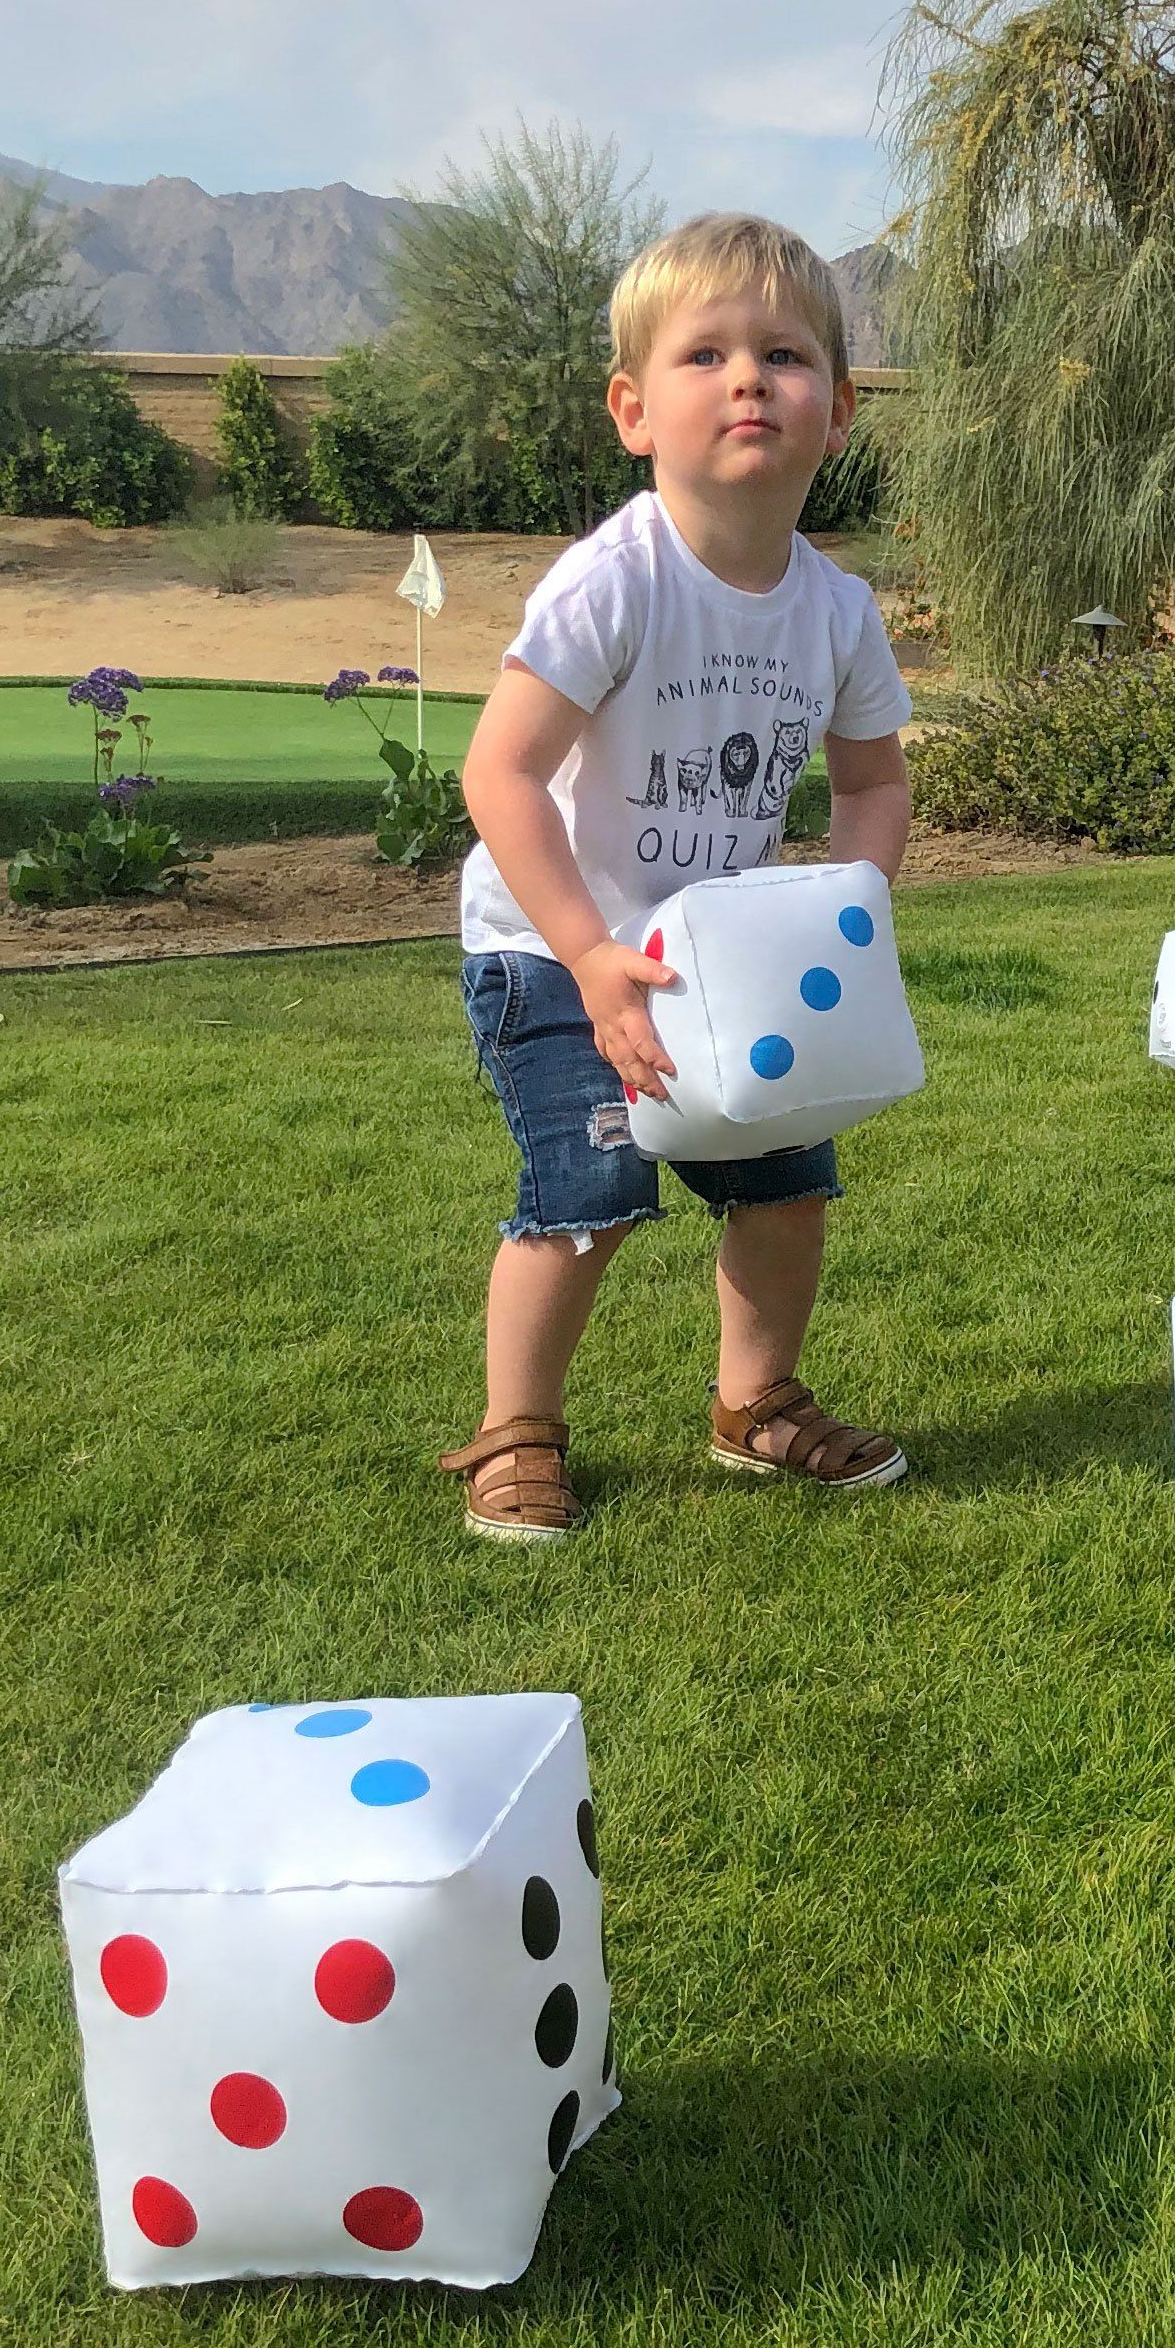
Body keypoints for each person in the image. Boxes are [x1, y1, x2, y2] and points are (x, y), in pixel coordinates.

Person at [441, 214, 915, 1541]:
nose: (750, 377)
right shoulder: (615, 581)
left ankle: (755, 1407)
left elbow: (874, 785)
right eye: (705, 353)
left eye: (786, 353)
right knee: (587, 1195)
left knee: (786, 1187)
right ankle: (514, 1434)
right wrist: (593, 959)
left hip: (718, 971)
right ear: (634, 411)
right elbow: (501, 778)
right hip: (553, 952)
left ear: (839, 413)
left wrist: (853, 907)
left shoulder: (837, 612)